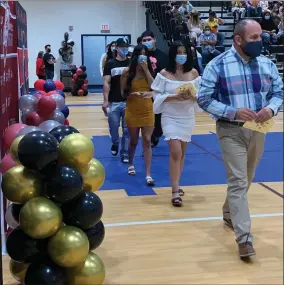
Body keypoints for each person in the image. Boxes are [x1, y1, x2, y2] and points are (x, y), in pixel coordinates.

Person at [197, 19, 283, 258]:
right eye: (254, 38)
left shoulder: (267, 64)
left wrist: (272, 108)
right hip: (230, 130)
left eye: (260, 36)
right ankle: (244, 239)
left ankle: (228, 212)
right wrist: (231, 111)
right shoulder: (217, 65)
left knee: (247, 177)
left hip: (259, 129)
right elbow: (203, 99)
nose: (260, 41)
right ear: (238, 39)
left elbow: (279, 92)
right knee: (237, 180)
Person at [151, 41, 201, 207]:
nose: (182, 55)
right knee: (175, 151)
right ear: (173, 54)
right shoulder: (164, 74)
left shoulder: (193, 73)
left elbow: (201, 95)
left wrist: (192, 96)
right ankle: (174, 191)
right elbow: (156, 95)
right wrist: (173, 97)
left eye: (184, 51)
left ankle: (177, 184)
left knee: (182, 153)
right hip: (170, 116)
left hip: (187, 116)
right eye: (179, 52)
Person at [121, 45, 155, 185]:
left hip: (147, 109)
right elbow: (123, 93)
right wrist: (132, 94)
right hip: (132, 109)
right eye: (140, 54)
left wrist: (147, 70)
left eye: (145, 54)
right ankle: (130, 163)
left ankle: (148, 174)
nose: (143, 57)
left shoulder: (150, 70)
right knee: (134, 140)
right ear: (135, 56)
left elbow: (154, 87)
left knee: (147, 140)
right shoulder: (127, 72)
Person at [103, 38, 130, 163]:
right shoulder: (110, 63)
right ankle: (115, 143)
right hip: (114, 102)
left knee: (127, 129)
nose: (124, 49)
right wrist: (105, 100)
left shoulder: (131, 63)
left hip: (129, 102)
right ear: (117, 48)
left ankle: (125, 153)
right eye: (122, 46)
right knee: (114, 127)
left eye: (126, 46)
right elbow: (106, 83)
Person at [140, 30, 168, 148]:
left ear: (154, 39)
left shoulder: (163, 56)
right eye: (144, 40)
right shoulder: (140, 56)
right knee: (147, 116)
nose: (147, 42)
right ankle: (149, 137)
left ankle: (156, 134)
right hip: (144, 90)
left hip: (159, 91)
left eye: (149, 40)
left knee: (158, 117)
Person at [100, 41, 117, 116]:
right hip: (108, 78)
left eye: (115, 45)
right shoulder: (106, 56)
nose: (114, 47)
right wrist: (103, 76)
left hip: (117, 79)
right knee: (107, 93)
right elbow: (102, 67)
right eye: (112, 45)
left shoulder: (119, 56)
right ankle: (107, 108)